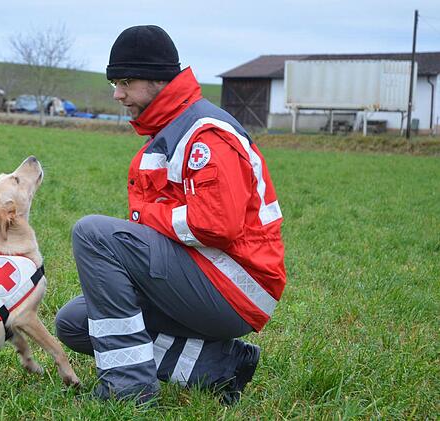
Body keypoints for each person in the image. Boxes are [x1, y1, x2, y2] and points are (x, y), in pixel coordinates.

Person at [55, 25, 286, 405]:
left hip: (234, 286)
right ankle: (220, 367)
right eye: (114, 82)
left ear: (159, 78)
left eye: (126, 81)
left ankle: (127, 389)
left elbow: (217, 224)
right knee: (77, 324)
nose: (117, 94)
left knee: (93, 233)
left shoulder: (204, 134)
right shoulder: (170, 130)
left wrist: (143, 218)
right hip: (205, 275)